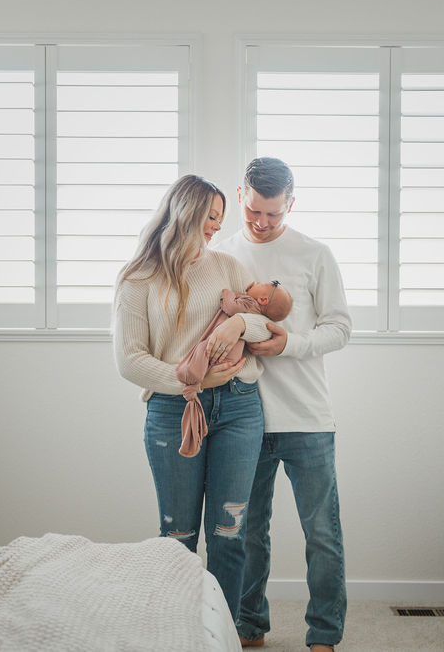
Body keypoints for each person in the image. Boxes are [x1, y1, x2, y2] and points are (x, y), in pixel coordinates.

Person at [112, 174, 273, 622]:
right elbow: (130, 360)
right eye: (209, 218)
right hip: (173, 411)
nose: (214, 229)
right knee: (178, 534)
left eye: (220, 220)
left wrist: (237, 325)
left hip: (240, 407)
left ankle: (220, 632)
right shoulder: (138, 278)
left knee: (228, 533)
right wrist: (191, 382)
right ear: (184, 211)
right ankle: (178, 630)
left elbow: (265, 326)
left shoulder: (227, 267)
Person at [216, 157, 352, 652]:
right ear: (239, 196)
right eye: (254, 211)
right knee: (247, 534)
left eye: (273, 214)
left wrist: (287, 343)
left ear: (290, 205)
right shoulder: (222, 255)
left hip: (308, 418)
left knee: (322, 534)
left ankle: (324, 636)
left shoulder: (315, 254)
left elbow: (339, 327)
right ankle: (249, 627)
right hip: (241, 419)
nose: (261, 222)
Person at [176, 281, 293, 457]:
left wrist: (226, 293)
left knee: (203, 351)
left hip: (226, 353)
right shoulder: (253, 307)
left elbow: (230, 306)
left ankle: (189, 377)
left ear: (262, 299)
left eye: (269, 283)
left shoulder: (248, 304)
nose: (258, 281)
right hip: (232, 356)